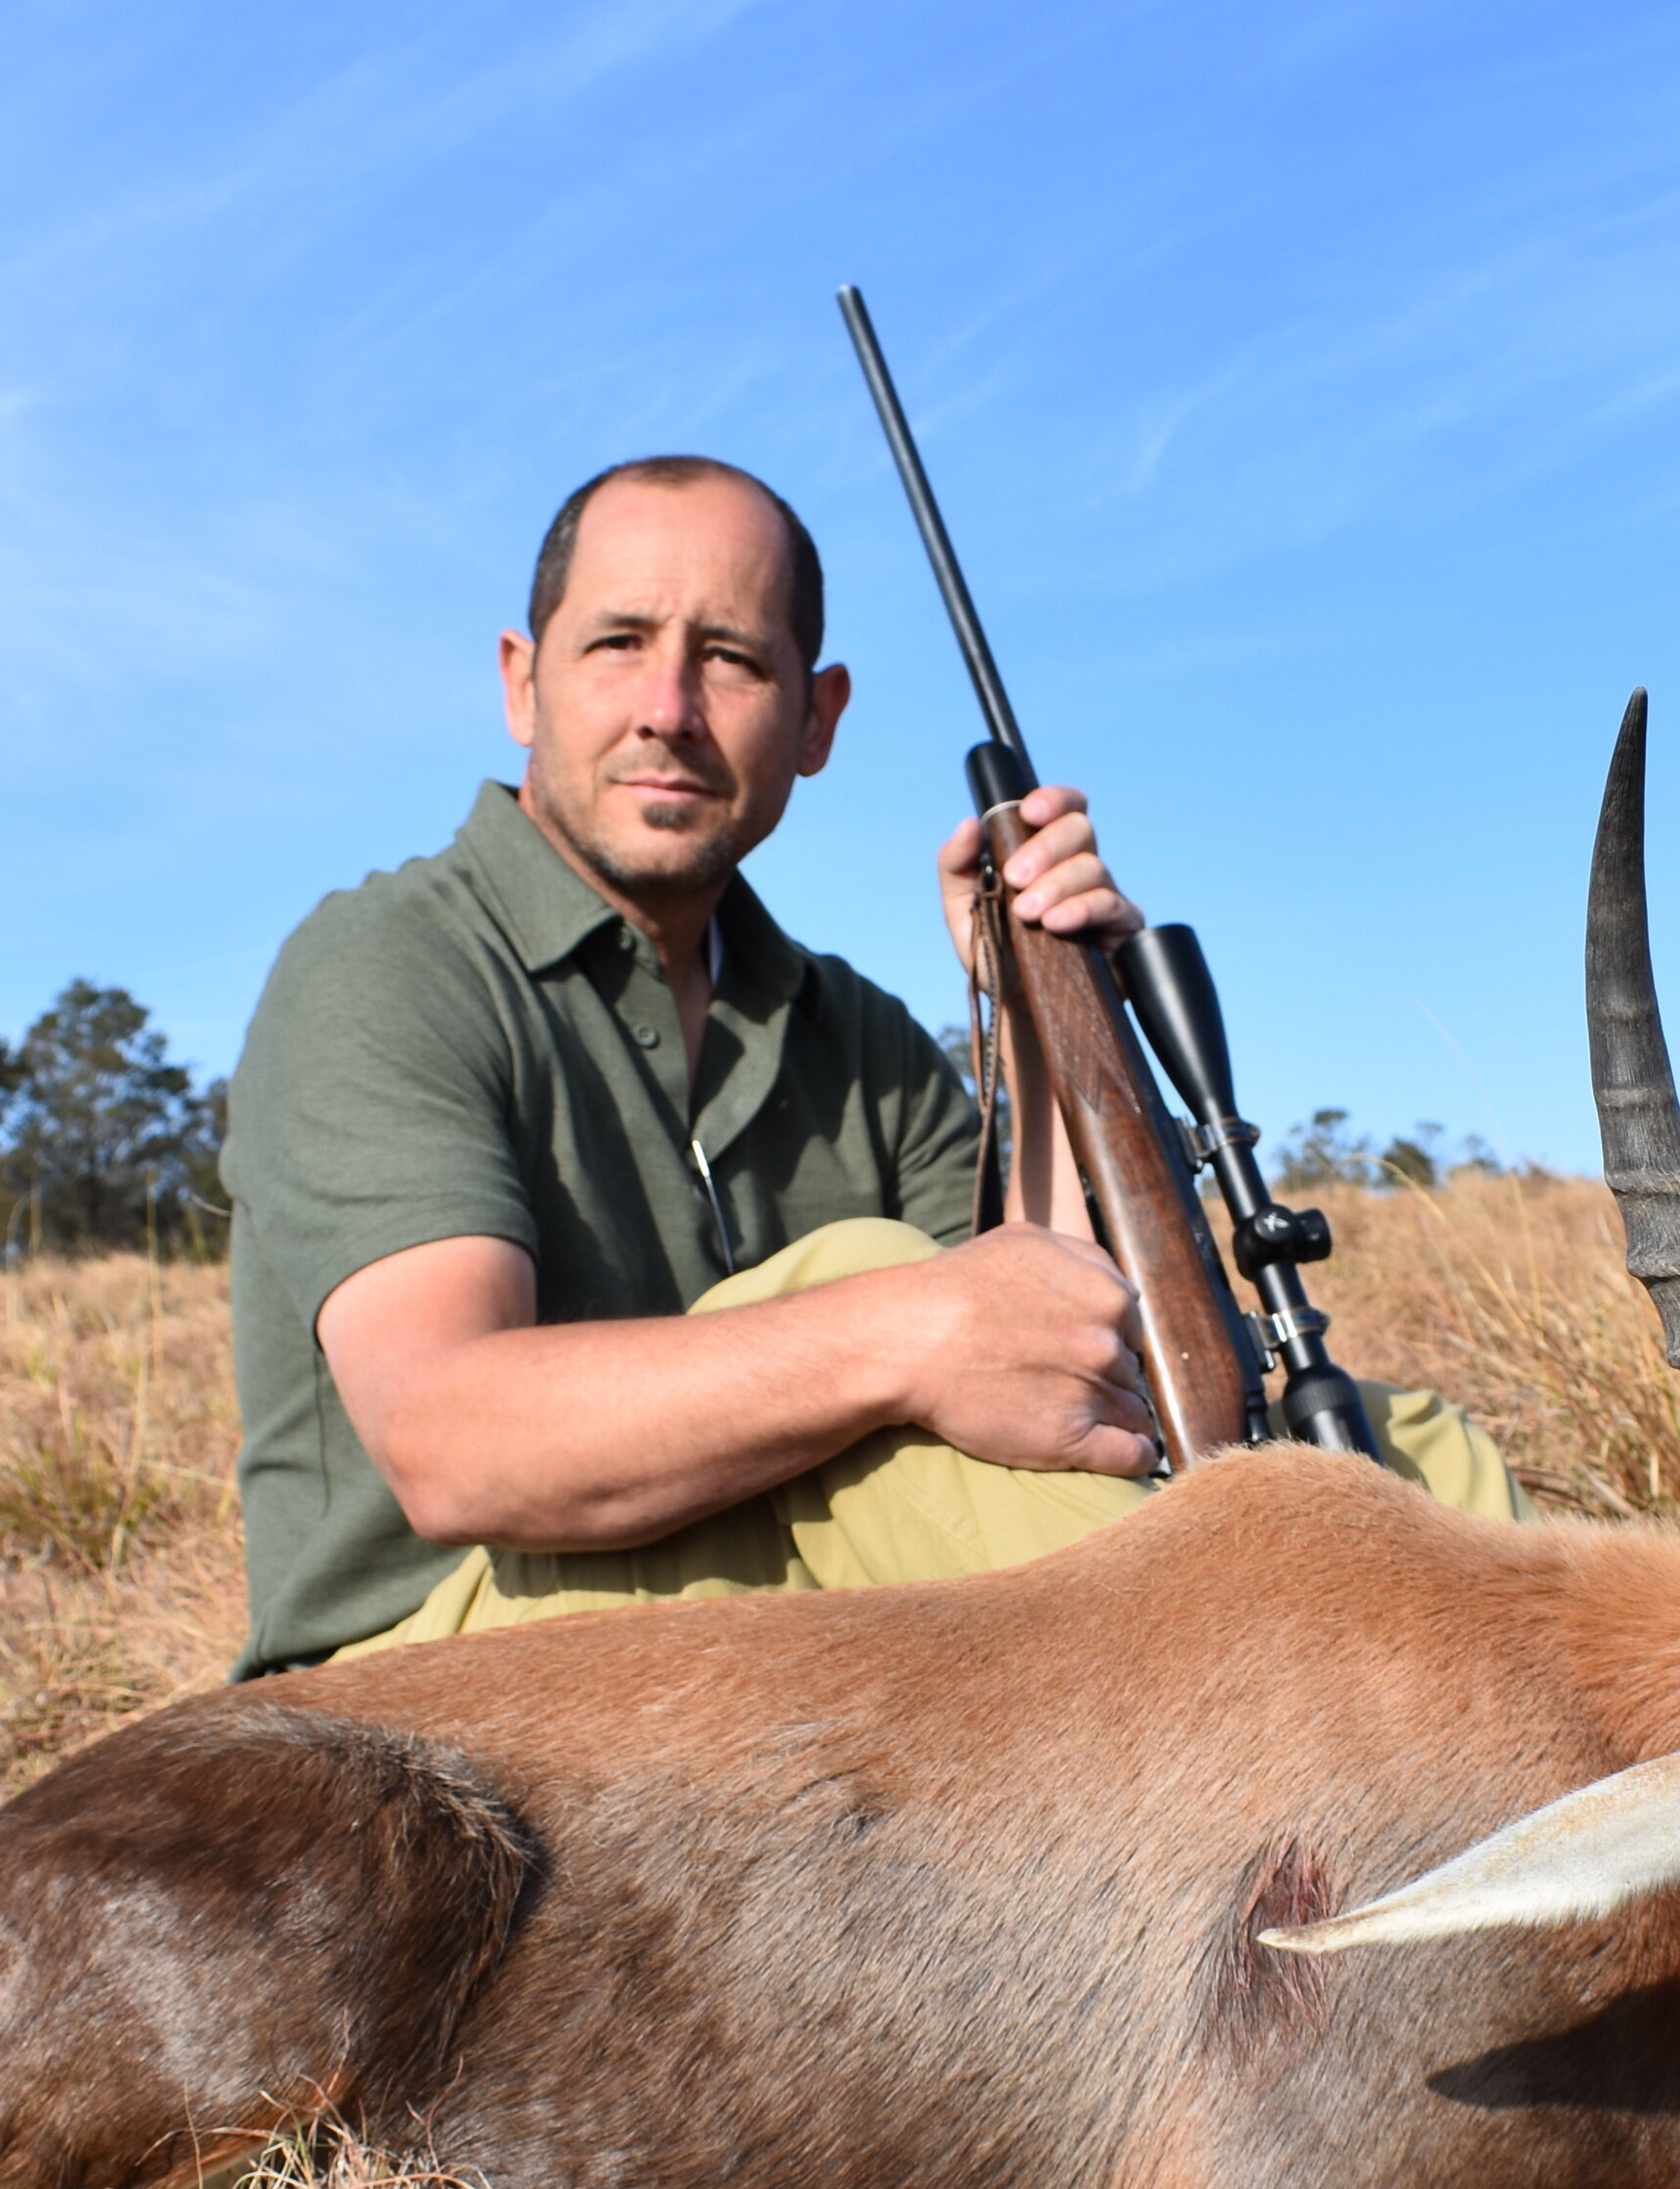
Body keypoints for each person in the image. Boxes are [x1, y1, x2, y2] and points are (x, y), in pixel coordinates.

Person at [220, 454, 1510, 1676]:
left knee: (1416, 1452)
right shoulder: (384, 964)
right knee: (883, 1285)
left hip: (757, 1620)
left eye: (729, 658)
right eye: (618, 644)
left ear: (817, 716)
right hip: (425, 1683)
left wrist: (1043, 1014)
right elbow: (456, 1448)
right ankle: (1319, 1787)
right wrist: (908, 1329)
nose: (666, 711)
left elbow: (1067, 1330)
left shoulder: (852, 1028)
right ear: (521, 681)